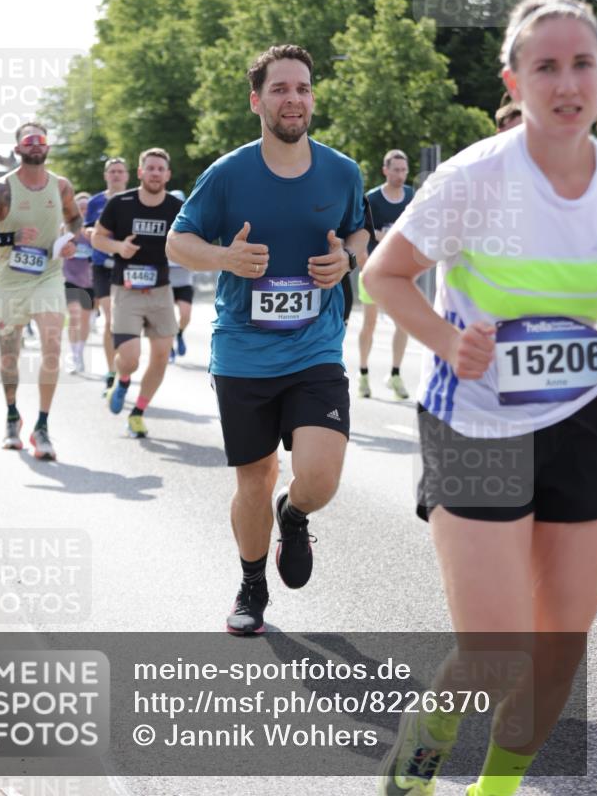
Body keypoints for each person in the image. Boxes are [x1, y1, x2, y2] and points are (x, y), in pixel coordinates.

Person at [363, 0, 597, 796]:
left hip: (582, 420)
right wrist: (445, 340)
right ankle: (422, 757)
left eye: (581, 64)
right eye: (546, 66)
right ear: (514, 78)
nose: (566, 83)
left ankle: (493, 791)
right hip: (474, 423)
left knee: (558, 647)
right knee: (495, 652)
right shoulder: (473, 176)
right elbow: (383, 276)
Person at [167, 44, 370, 635]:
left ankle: (297, 513)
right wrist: (225, 256)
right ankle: (252, 583)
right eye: (280, 89)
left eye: (303, 88)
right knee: (254, 478)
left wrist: (347, 262)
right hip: (244, 352)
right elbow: (180, 243)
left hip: (315, 346)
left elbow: (359, 232)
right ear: (257, 100)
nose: (294, 99)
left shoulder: (342, 171)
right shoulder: (228, 174)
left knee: (321, 476)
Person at [0, 123, 81, 459]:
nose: (34, 145)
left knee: (52, 345)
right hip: (11, 281)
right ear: (18, 149)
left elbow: (74, 220)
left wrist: (70, 238)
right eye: (28, 141)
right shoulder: (2, 189)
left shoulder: (61, 187)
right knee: (9, 355)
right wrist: (9, 238)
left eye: (40, 140)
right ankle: (12, 415)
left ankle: (42, 426)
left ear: (47, 147)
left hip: (48, 274)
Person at [91, 148, 182, 438]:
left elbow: (192, 240)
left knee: (160, 355)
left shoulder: (176, 207)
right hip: (126, 290)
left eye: (160, 169)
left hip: (161, 291)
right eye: (150, 168)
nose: (155, 173)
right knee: (129, 358)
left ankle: (138, 412)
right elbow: (97, 237)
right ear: (141, 172)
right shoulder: (120, 203)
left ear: (167, 175)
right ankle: (123, 379)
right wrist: (119, 247)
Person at [357, 150, 414, 399]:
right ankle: (363, 373)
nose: (400, 174)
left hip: (400, 273)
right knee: (369, 324)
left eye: (404, 170)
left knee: (404, 324)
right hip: (373, 270)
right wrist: (377, 239)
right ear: (385, 170)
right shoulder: (372, 200)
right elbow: (360, 235)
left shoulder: (412, 196)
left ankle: (395, 374)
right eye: (396, 170)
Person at [84, 157, 129, 394]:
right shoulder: (95, 202)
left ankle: (125, 366)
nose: (116, 175)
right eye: (112, 171)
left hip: (128, 266)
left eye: (120, 171)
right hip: (102, 265)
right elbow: (87, 228)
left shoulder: (135, 199)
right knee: (111, 318)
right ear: (106, 176)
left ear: (128, 176)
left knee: (127, 321)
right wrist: (93, 232)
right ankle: (112, 372)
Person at [62, 191, 94, 373]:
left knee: (84, 320)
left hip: (89, 281)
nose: (83, 210)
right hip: (70, 279)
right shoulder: (66, 230)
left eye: (86, 207)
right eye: (80, 207)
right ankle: (73, 356)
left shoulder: (95, 231)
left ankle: (79, 351)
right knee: (73, 316)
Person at [167, 189, 194, 363]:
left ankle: (179, 333)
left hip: (184, 278)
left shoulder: (191, 224)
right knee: (167, 317)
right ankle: (168, 347)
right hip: (166, 279)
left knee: (185, 315)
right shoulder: (162, 222)